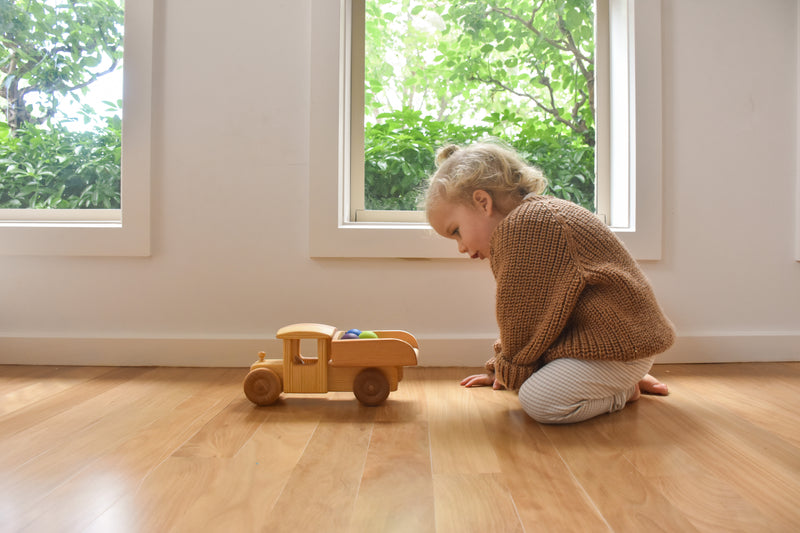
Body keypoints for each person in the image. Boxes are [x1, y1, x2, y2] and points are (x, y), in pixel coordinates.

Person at [425, 141, 675, 424]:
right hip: (611, 343)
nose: (460, 247)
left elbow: (524, 321)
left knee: (539, 401)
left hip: (614, 350)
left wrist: (507, 370)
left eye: (456, 231)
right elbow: (540, 319)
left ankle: (622, 389)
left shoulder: (526, 227)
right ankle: (615, 379)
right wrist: (502, 367)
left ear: (483, 202)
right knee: (533, 382)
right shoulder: (533, 218)